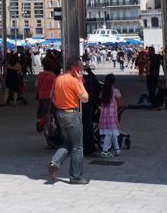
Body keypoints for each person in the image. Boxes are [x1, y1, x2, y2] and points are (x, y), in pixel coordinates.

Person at [47, 55, 90, 185]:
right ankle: (75, 177)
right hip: (72, 114)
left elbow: (52, 97)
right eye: (81, 67)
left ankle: (55, 162)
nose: (82, 69)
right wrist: (80, 80)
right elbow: (85, 98)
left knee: (67, 143)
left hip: (60, 114)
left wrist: (61, 105)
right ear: (75, 68)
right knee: (77, 146)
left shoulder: (58, 79)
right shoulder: (74, 80)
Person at [98, 74, 123, 157]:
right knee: (110, 133)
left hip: (104, 116)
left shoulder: (103, 91)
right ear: (114, 82)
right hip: (112, 115)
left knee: (112, 133)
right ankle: (104, 151)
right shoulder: (115, 91)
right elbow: (119, 103)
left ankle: (117, 150)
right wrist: (124, 105)